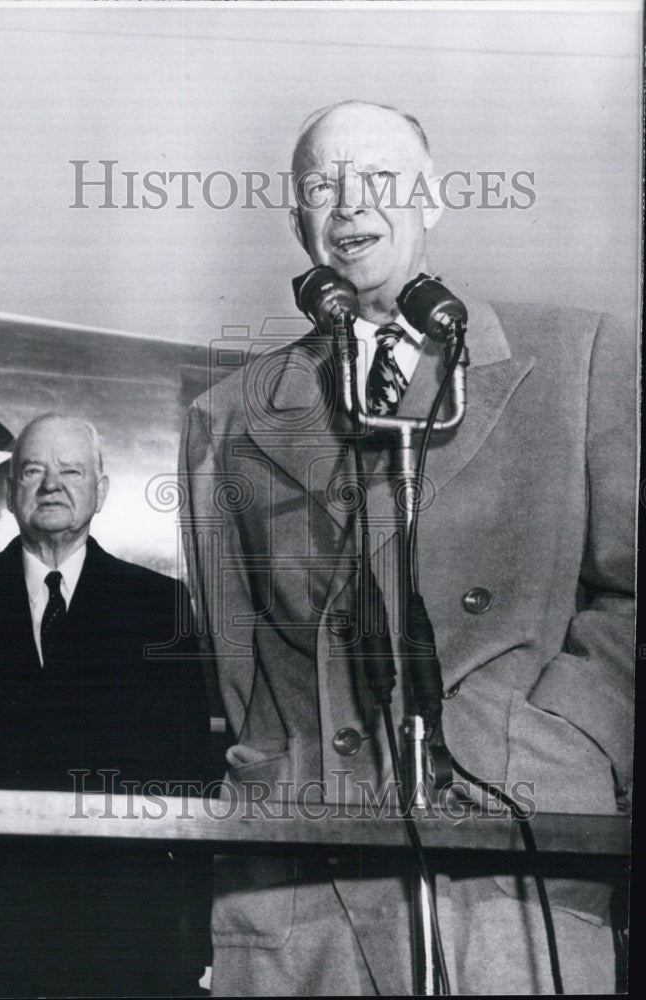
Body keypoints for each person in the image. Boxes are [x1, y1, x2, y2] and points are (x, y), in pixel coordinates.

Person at [179, 101, 634, 994]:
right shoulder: (230, 416)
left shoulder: (579, 358)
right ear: (297, 219)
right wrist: (284, 767)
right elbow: (240, 663)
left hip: (516, 844)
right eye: (320, 185)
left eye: (378, 179)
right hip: (313, 856)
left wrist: (558, 732)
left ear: (433, 197)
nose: (350, 206)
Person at [0, 413, 213, 998]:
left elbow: (190, 768)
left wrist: (193, 918)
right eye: (34, 470)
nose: (52, 485)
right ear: (11, 487)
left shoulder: (158, 605)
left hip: (122, 915)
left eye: (71, 470)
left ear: (101, 488)